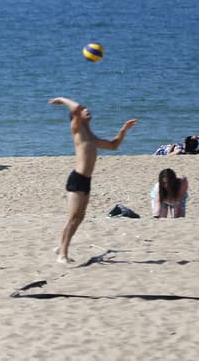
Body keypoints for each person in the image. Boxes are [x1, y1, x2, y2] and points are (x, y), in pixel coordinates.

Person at [49, 97, 138, 264]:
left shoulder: (91, 137)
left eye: (87, 109)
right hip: (76, 180)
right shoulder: (77, 130)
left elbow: (113, 146)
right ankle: (62, 254)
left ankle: (61, 247)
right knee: (72, 217)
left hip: (86, 180)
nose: (85, 110)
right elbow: (75, 108)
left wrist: (124, 130)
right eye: (83, 110)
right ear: (77, 117)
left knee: (80, 217)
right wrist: (62, 100)